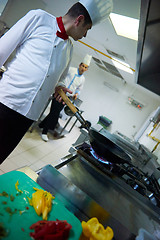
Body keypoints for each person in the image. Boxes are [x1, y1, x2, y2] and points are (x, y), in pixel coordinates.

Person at [0, 0, 113, 164]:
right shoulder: (38, 18)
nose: (85, 35)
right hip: (6, 103)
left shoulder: (69, 49)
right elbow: (2, 49)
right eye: (87, 29)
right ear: (79, 20)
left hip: (28, 116)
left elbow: (59, 79)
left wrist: (59, 87)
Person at [39, 54, 92, 142]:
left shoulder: (82, 79)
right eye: (82, 65)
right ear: (80, 65)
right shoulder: (71, 70)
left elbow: (79, 89)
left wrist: (76, 94)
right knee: (54, 113)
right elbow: (61, 77)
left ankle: (42, 125)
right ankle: (45, 132)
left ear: (86, 69)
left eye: (85, 67)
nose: (83, 68)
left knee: (55, 112)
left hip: (67, 98)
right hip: (59, 93)